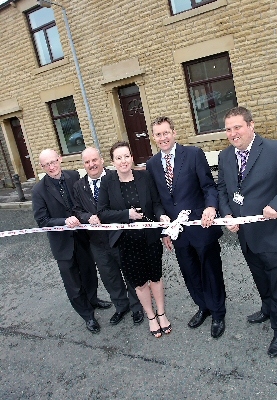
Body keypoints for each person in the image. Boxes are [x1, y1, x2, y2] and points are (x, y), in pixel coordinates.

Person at [217, 106, 277, 357]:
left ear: (251, 125)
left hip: (271, 235)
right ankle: (268, 308)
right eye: (228, 129)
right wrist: (227, 214)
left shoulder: (275, 150)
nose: (233, 133)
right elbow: (222, 189)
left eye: (237, 127)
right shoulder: (226, 156)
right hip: (246, 236)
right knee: (260, 277)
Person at [146, 116, 226, 338]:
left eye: (166, 132)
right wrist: (164, 228)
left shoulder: (193, 154)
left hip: (202, 226)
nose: (163, 138)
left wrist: (211, 207)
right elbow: (157, 201)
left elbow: (209, 186)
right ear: (154, 137)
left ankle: (219, 313)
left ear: (174, 132)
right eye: (158, 134)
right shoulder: (152, 165)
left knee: (210, 271)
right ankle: (204, 307)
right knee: (190, 273)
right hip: (177, 233)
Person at [32, 149, 112, 334]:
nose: (52, 167)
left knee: (89, 273)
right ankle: (87, 316)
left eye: (54, 162)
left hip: (82, 237)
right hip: (62, 244)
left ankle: (93, 299)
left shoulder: (73, 176)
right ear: (42, 167)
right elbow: (42, 221)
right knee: (73, 283)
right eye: (47, 165)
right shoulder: (38, 190)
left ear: (60, 159)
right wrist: (63, 222)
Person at [97, 141, 172, 338]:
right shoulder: (107, 182)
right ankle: (151, 317)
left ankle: (162, 314)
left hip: (150, 238)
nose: (123, 161)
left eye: (126, 156)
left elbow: (156, 203)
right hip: (126, 242)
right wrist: (126, 214)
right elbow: (102, 212)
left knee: (155, 277)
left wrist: (161, 217)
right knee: (139, 283)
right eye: (118, 158)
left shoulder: (145, 176)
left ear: (132, 157)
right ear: (112, 161)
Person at [73, 146, 144, 326]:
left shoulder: (116, 177)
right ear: (84, 165)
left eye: (94, 160)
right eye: (87, 162)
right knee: (109, 276)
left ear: (102, 160)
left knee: (129, 273)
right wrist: (87, 217)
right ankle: (121, 307)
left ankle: (137, 307)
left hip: (120, 235)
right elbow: (76, 210)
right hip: (97, 242)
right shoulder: (79, 186)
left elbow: (126, 204)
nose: (92, 164)